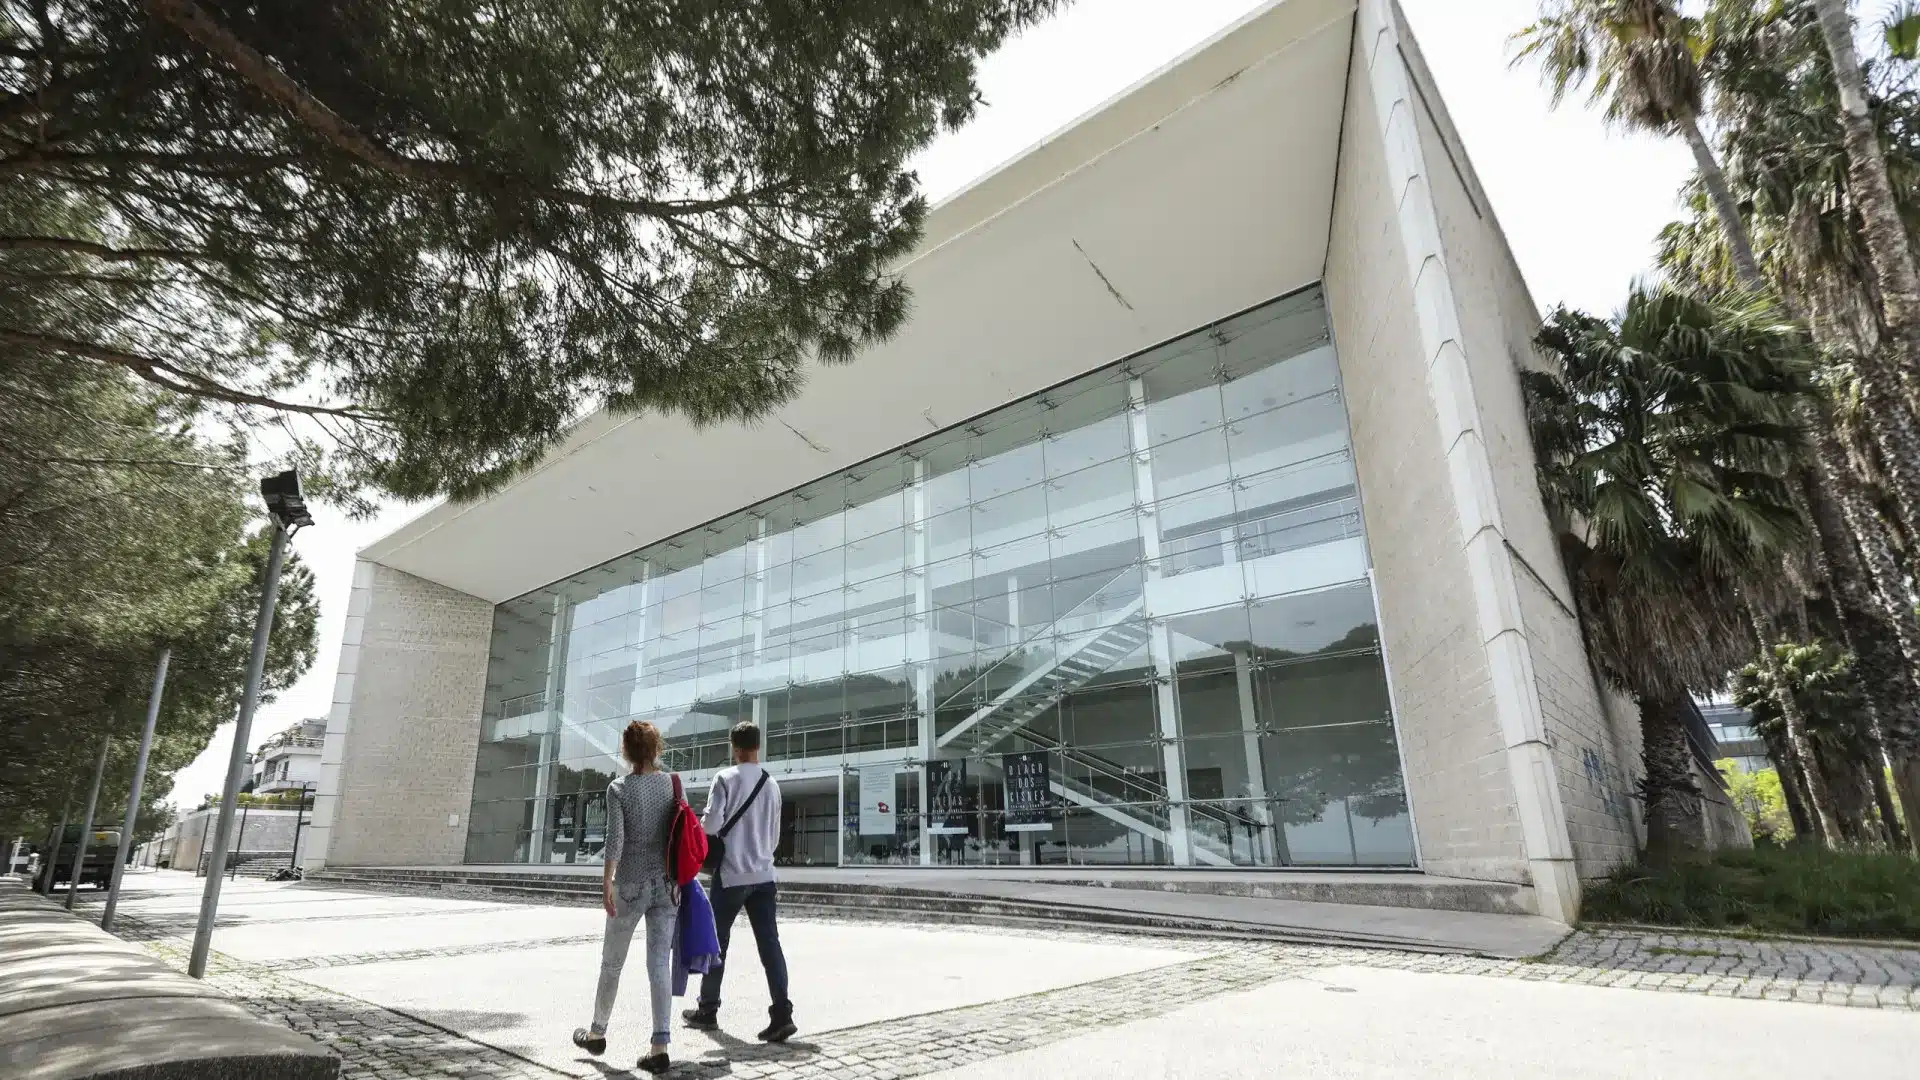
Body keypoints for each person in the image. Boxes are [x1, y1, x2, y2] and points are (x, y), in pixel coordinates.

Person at [573, 720, 679, 1075]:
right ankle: (660, 1045)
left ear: (627, 751)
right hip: (665, 885)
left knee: (612, 963)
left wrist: (607, 881)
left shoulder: (618, 788)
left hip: (630, 884)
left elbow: (615, 840)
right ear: (656, 747)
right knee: (658, 965)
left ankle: (597, 1032)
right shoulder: (670, 784)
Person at [682, 720, 794, 1043]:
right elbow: (773, 839)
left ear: (734, 747)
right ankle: (782, 1014)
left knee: (718, 944)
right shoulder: (771, 784)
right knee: (770, 945)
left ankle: (708, 1009)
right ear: (758, 746)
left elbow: (711, 825)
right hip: (764, 875)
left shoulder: (725, 778)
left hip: (731, 875)